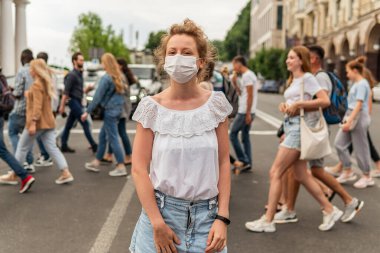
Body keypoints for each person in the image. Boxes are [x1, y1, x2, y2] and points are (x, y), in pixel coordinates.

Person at [129, 19, 231, 253]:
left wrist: (222, 218)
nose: (178, 58)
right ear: (164, 61)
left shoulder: (216, 105)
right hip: (161, 217)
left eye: (186, 52)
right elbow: (138, 168)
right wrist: (157, 224)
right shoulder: (150, 107)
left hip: (208, 220)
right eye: (172, 52)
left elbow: (224, 162)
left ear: (200, 61)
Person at [245, 46, 342, 233]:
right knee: (301, 174)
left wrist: (298, 104)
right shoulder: (295, 79)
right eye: (287, 58)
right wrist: (286, 105)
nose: (287, 60)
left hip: (298, 129)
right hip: (291, 127)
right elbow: (294, 102)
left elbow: (324, 100)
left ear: (300, 60)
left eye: (291, 58)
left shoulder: (308, 78)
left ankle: (268, 220)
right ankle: (330, 209)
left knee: (275, 172)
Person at [274, 45, 363, 224]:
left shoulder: (318, 78)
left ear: (313, 59)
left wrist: (298, 105)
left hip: (313, 130)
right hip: (306, 128)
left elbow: (321, 103)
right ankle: (290, 208)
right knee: (304, 170)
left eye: (305, 56)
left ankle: (347, 201)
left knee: (311, 171)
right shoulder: (309, 77)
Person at [82, 53, 127, 177]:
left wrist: (87, 111)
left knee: (113, 138)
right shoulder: (119, 76)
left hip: (109, 111)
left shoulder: (107, 78)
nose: (101, 64)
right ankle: (96, 161)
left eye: (102, 62)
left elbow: (97, 97)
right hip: (117, 110)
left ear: (106, 63)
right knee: (103, 136)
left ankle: (121, 166)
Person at [334, 58, 374, 188]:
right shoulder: (357, 84)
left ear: (355, 71)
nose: (347, 74)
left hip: (358, 116)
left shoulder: (362, 84)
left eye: (348, 71)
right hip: (351, 115)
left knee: (360, 148)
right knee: (339, 144)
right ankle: (347, 170)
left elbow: (359, 104)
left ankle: (367, 176)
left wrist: (348, 121)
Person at [59, 52, 97, 153]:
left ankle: (63, 144)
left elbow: (79, 91)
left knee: (68, 125)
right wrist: (62, 107)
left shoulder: (79, 74)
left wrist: (87, 89)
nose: (82, 62)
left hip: (78, 101)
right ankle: (94, 145)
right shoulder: (71, 75)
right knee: (85, 123)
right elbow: (66, 92)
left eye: (83, 60)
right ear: (74, 61)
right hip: (73, 101)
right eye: (80, 60)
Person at [101, 58, 135, 165]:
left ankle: (128, 155)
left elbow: (121, 93)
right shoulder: (121, 75)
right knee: (115, 132)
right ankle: (110, 155)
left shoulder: (120, 76)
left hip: (121, 108)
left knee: (119, 132)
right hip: (122, 108)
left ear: (120, 66)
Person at [8, 49, 35, 173]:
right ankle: (30, 162)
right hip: (31, 110)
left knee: (13, 133)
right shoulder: (35, 71)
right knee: (27, 137)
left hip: (20, 108)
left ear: (22, 58)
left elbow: (18, 93)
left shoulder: (22, 70)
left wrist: (11, 92)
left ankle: (19, 161)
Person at [229, 56, 258, 171]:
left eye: (234, 64)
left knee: (232, 134)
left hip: (245, 111)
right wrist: (235, 83)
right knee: (245, 137)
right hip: (247, 110)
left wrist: (247, 113)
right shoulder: (246, 76)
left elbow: (250, 95)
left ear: (239, 64)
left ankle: (243, 160)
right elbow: (242, 93)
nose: (233, 67)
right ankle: (248, 162)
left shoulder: (247, 75)